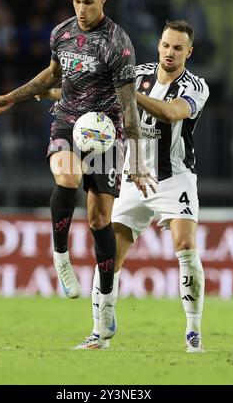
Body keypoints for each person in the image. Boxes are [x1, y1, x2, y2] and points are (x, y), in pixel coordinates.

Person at [0, 0, 155, 340]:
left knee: (98, 220)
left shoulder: (118, 44)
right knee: (67, 177)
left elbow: (128, 107)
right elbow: (51, 77)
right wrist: (10, 98)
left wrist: (138, 161)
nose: (81, 9)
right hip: (67, 122)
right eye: (76, 1)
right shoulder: (61, 33)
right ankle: (60, 253)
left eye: (89, 2)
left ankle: (106, 307)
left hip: (107, 134)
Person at [76, 20, 209, 352]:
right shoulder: (138, 72)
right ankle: (99, 330)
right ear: (159, 44)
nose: (170, 52)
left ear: (188, 52)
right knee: (110, 254)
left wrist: (127, 93)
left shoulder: (196, 87)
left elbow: (169, 112)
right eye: (166, 45)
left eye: (178, 48)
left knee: (185, 247)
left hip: (174, 177)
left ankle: (193, 332)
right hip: (133, 177)